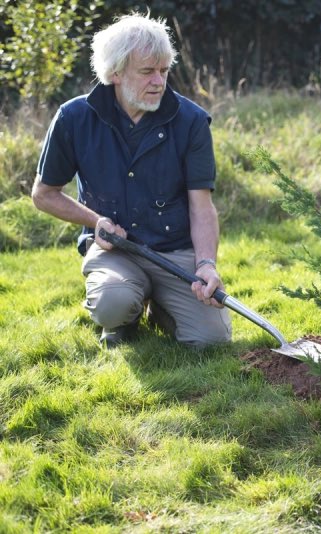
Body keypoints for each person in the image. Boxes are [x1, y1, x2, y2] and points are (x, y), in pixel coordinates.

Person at [31, 12, 232, 348]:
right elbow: (43, 194)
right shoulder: (74, 118)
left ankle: (163, 308)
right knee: (113, 304)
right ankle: (123, 318)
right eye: (147, 71)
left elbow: (202, 207)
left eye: (164, 71)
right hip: (116, 252)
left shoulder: (192, 122)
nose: (159, 81)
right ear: (116, 73)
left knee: (212, 340)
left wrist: (206, 265)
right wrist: (96, 221)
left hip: (175, 251)